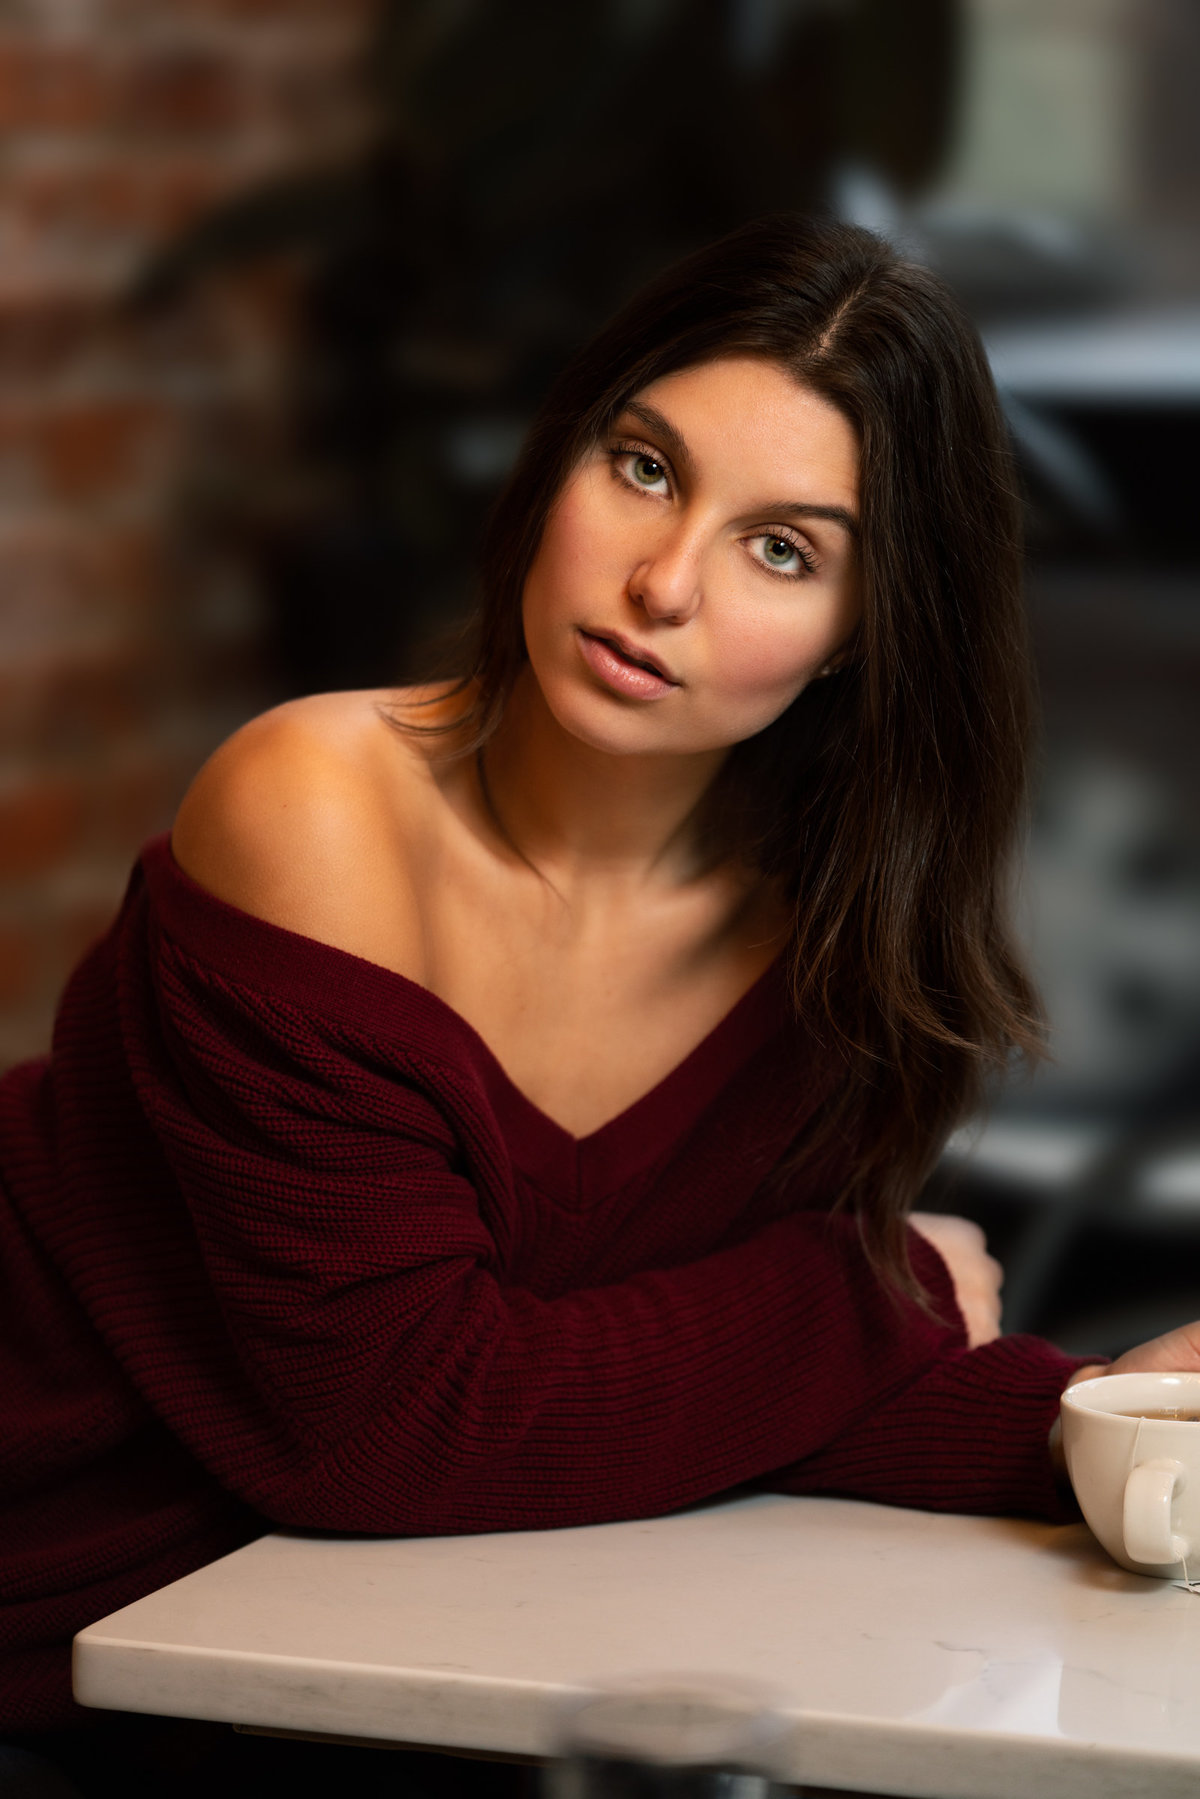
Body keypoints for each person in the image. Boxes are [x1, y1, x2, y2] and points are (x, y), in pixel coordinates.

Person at [3, 213, 1196, 1789]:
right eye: (644, 467)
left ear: (862, 636)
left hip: (354, 1643)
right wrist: (881, 1286)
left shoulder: (824, 942)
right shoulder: (318, 808)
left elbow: (660, 1395)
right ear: (561, 461)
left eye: (785, 549)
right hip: (64, 1590)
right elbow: (397, 1425)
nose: (661, 586)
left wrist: (1105, 1430)